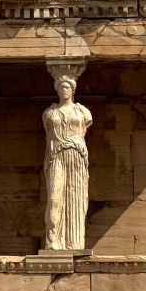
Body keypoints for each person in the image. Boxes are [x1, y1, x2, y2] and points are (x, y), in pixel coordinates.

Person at [43, 76, 92, 250]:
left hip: (77, 156)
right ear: (57, 89)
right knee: (55, 197)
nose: (64, 90)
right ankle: (53, 240)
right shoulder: (50, 113)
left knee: (76, 196)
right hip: (56, 156)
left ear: (72, 90)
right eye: (61, 87)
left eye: (67, 87)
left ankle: (74, 243)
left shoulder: (82, 112)